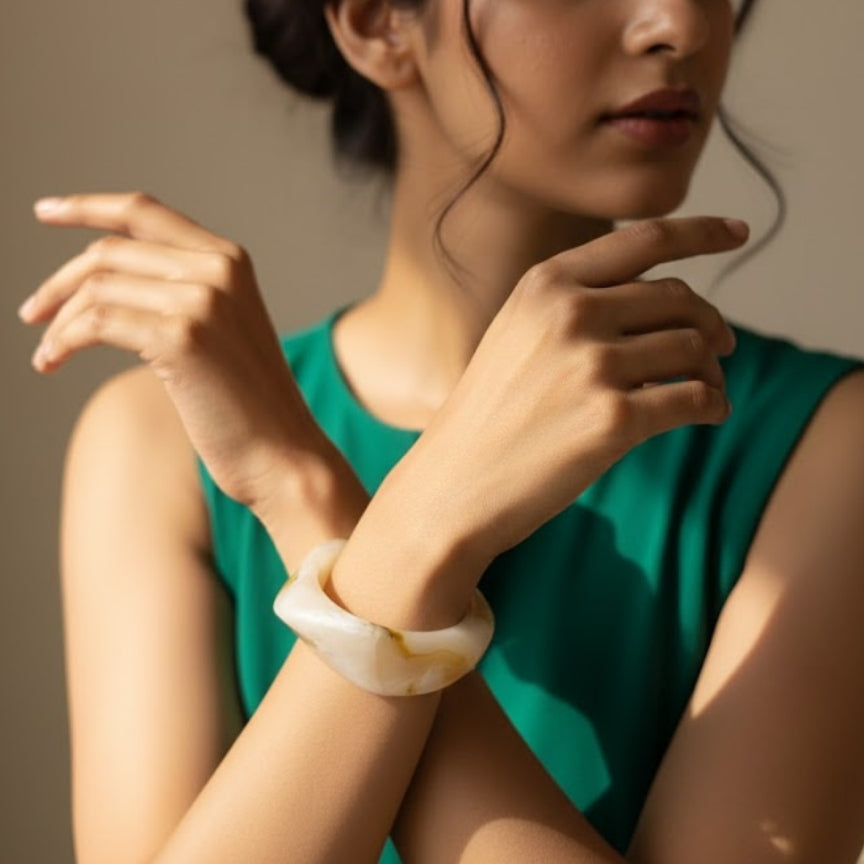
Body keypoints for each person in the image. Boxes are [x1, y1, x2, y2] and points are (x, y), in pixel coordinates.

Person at [19, 0, 864, 861]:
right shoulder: (156, 445)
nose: (680, 24)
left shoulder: (828, 445)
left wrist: (305, 491)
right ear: (376, 21)